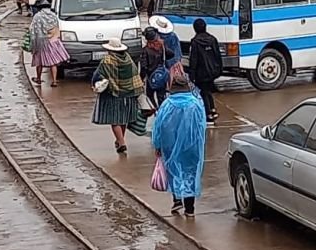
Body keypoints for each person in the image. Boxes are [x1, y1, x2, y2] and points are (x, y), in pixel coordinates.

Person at [152, 75, 207, 217]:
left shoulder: (167, 104)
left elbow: (158, 127)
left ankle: (177, 199)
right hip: (192, 145)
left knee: (174, 171)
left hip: (170, 144)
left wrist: (157, 145)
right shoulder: (196, 104)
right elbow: (202, 125)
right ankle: (190, 208)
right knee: (190, 173)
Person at [92, 38, 144, 155]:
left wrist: (94, 84)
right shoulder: (128, 59)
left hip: (114, 93)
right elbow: (135, 74)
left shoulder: (107, 61)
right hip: (129, 94)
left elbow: (97, 75)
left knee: (115, 119)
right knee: (123, 118)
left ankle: (121, 142)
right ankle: (120, 140)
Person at [29, 0, 70, 87]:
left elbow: (34, 30)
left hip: (42, 43)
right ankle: (54, 81)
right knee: (53, 63)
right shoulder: (54, 16)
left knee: (39, 62)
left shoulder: (38, 17)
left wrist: (33, 44)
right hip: (54, 42)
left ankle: (38, 78)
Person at [188, 19, 223, 122]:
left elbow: (193, 59)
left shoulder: (195, 42)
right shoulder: (213, 39)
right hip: (212, 70)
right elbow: (218, 55)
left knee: (204, 92)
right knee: (208, 90)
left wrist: (192, 74)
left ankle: (209, 113)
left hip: (201, 72)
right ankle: (212, 109)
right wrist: (219, 69)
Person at [140, 27, 173, 107]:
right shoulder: (161, 47)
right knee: (161, 96)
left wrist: (141, 78)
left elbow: (144, 67)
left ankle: (155, 108)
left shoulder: (145, 50)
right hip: (161, 75)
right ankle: (162, 110)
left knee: (149, 95)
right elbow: (172, 54)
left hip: (151, 77)